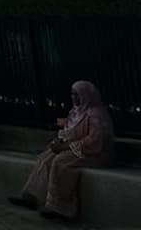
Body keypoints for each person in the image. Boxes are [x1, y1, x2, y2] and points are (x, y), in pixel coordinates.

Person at [12, 80, 116, 222]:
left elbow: (95, 141)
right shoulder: (75, 112)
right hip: (76, 149)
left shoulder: (96, 114)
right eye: (72, 94)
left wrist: (66, 147)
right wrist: (59, 142)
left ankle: (60, 208)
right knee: (46, 157)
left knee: (60, 162)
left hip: (95, 153)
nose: (74, 98)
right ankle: (32, 197)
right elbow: (68, 131)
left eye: (77, 94)